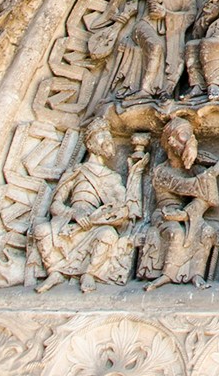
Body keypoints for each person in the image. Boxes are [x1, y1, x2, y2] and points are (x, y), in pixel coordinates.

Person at [31, 118, 145, 293]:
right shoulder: (76, 172)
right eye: (102, 137)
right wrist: (73, 214)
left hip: (95, 227)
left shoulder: (112, 178)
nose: (108, 141)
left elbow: (122, 209)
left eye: (109, 137)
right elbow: (55, 205)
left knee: (108, 235)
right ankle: (54, 272)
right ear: (91, 143)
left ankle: (89, 273)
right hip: (68, 226)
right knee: (41, 230)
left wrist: (103, 217)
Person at [140, 117, 219, 291]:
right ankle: (167, 275)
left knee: (207, 231)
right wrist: (213, 172)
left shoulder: (194, 169)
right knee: (176, 232)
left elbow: (206, 197)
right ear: (171, 141)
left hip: (187, 215)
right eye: (183, 135)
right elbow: (187, 186)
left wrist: (187, 213)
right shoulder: (162, 171)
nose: (187, 141)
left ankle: (196, 275)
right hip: (165, 214)